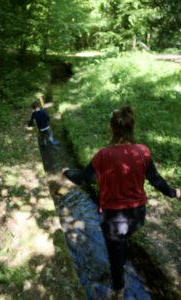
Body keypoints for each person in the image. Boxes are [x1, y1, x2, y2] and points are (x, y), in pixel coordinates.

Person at [63, 105, 180, 300]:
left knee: (116, 257)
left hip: (114, 220)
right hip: (138, 217)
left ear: (111, 128)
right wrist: (173, 192)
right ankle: (124, 250)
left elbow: (83, 179)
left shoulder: (103, 155)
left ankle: (118, 291)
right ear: (132, 127)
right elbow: (155, 179)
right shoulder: (143, 152)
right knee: (122, 241)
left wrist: (66, 172)